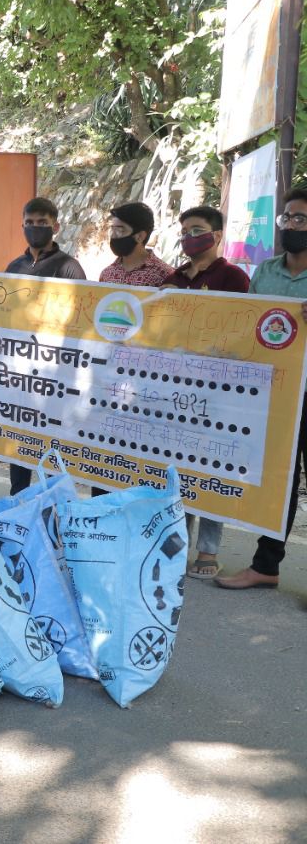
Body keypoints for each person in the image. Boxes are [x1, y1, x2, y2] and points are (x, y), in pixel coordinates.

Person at [216, 190, 307, 590]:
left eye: (300, 219)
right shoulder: (266, 271)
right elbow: (254, 327)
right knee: (279, 478)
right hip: (277, 393)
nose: (291, 226)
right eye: (286, 219)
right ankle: (265, 566)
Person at [151, 206, 246, 579]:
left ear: (217, 235)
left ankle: (208, 550)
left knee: (212, 469)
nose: (190, 236)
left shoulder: (232, 276)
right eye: (185, 230)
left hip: (218, 386)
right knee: (179, 468)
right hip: (175, 387)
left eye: (198, 230)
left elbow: (237, 326)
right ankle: (178, 543)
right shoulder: (173, 278)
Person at [6, 197, 87, 495]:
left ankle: (56, 506)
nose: (36, 228)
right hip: (21, 373)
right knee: (21, 444)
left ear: (56, 226)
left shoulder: (69, 268)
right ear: (22, 226)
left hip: (56, 375)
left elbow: (80, 318)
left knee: (54, 447)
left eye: (42, 223)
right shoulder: (14, 267)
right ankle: (19, 504)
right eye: (30, 223)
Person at [99, 202, 172, 286]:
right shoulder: (107, 275)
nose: (113, 236)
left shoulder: (164, 276)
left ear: (140, 236)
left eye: (120, 230)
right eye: (112, 229)